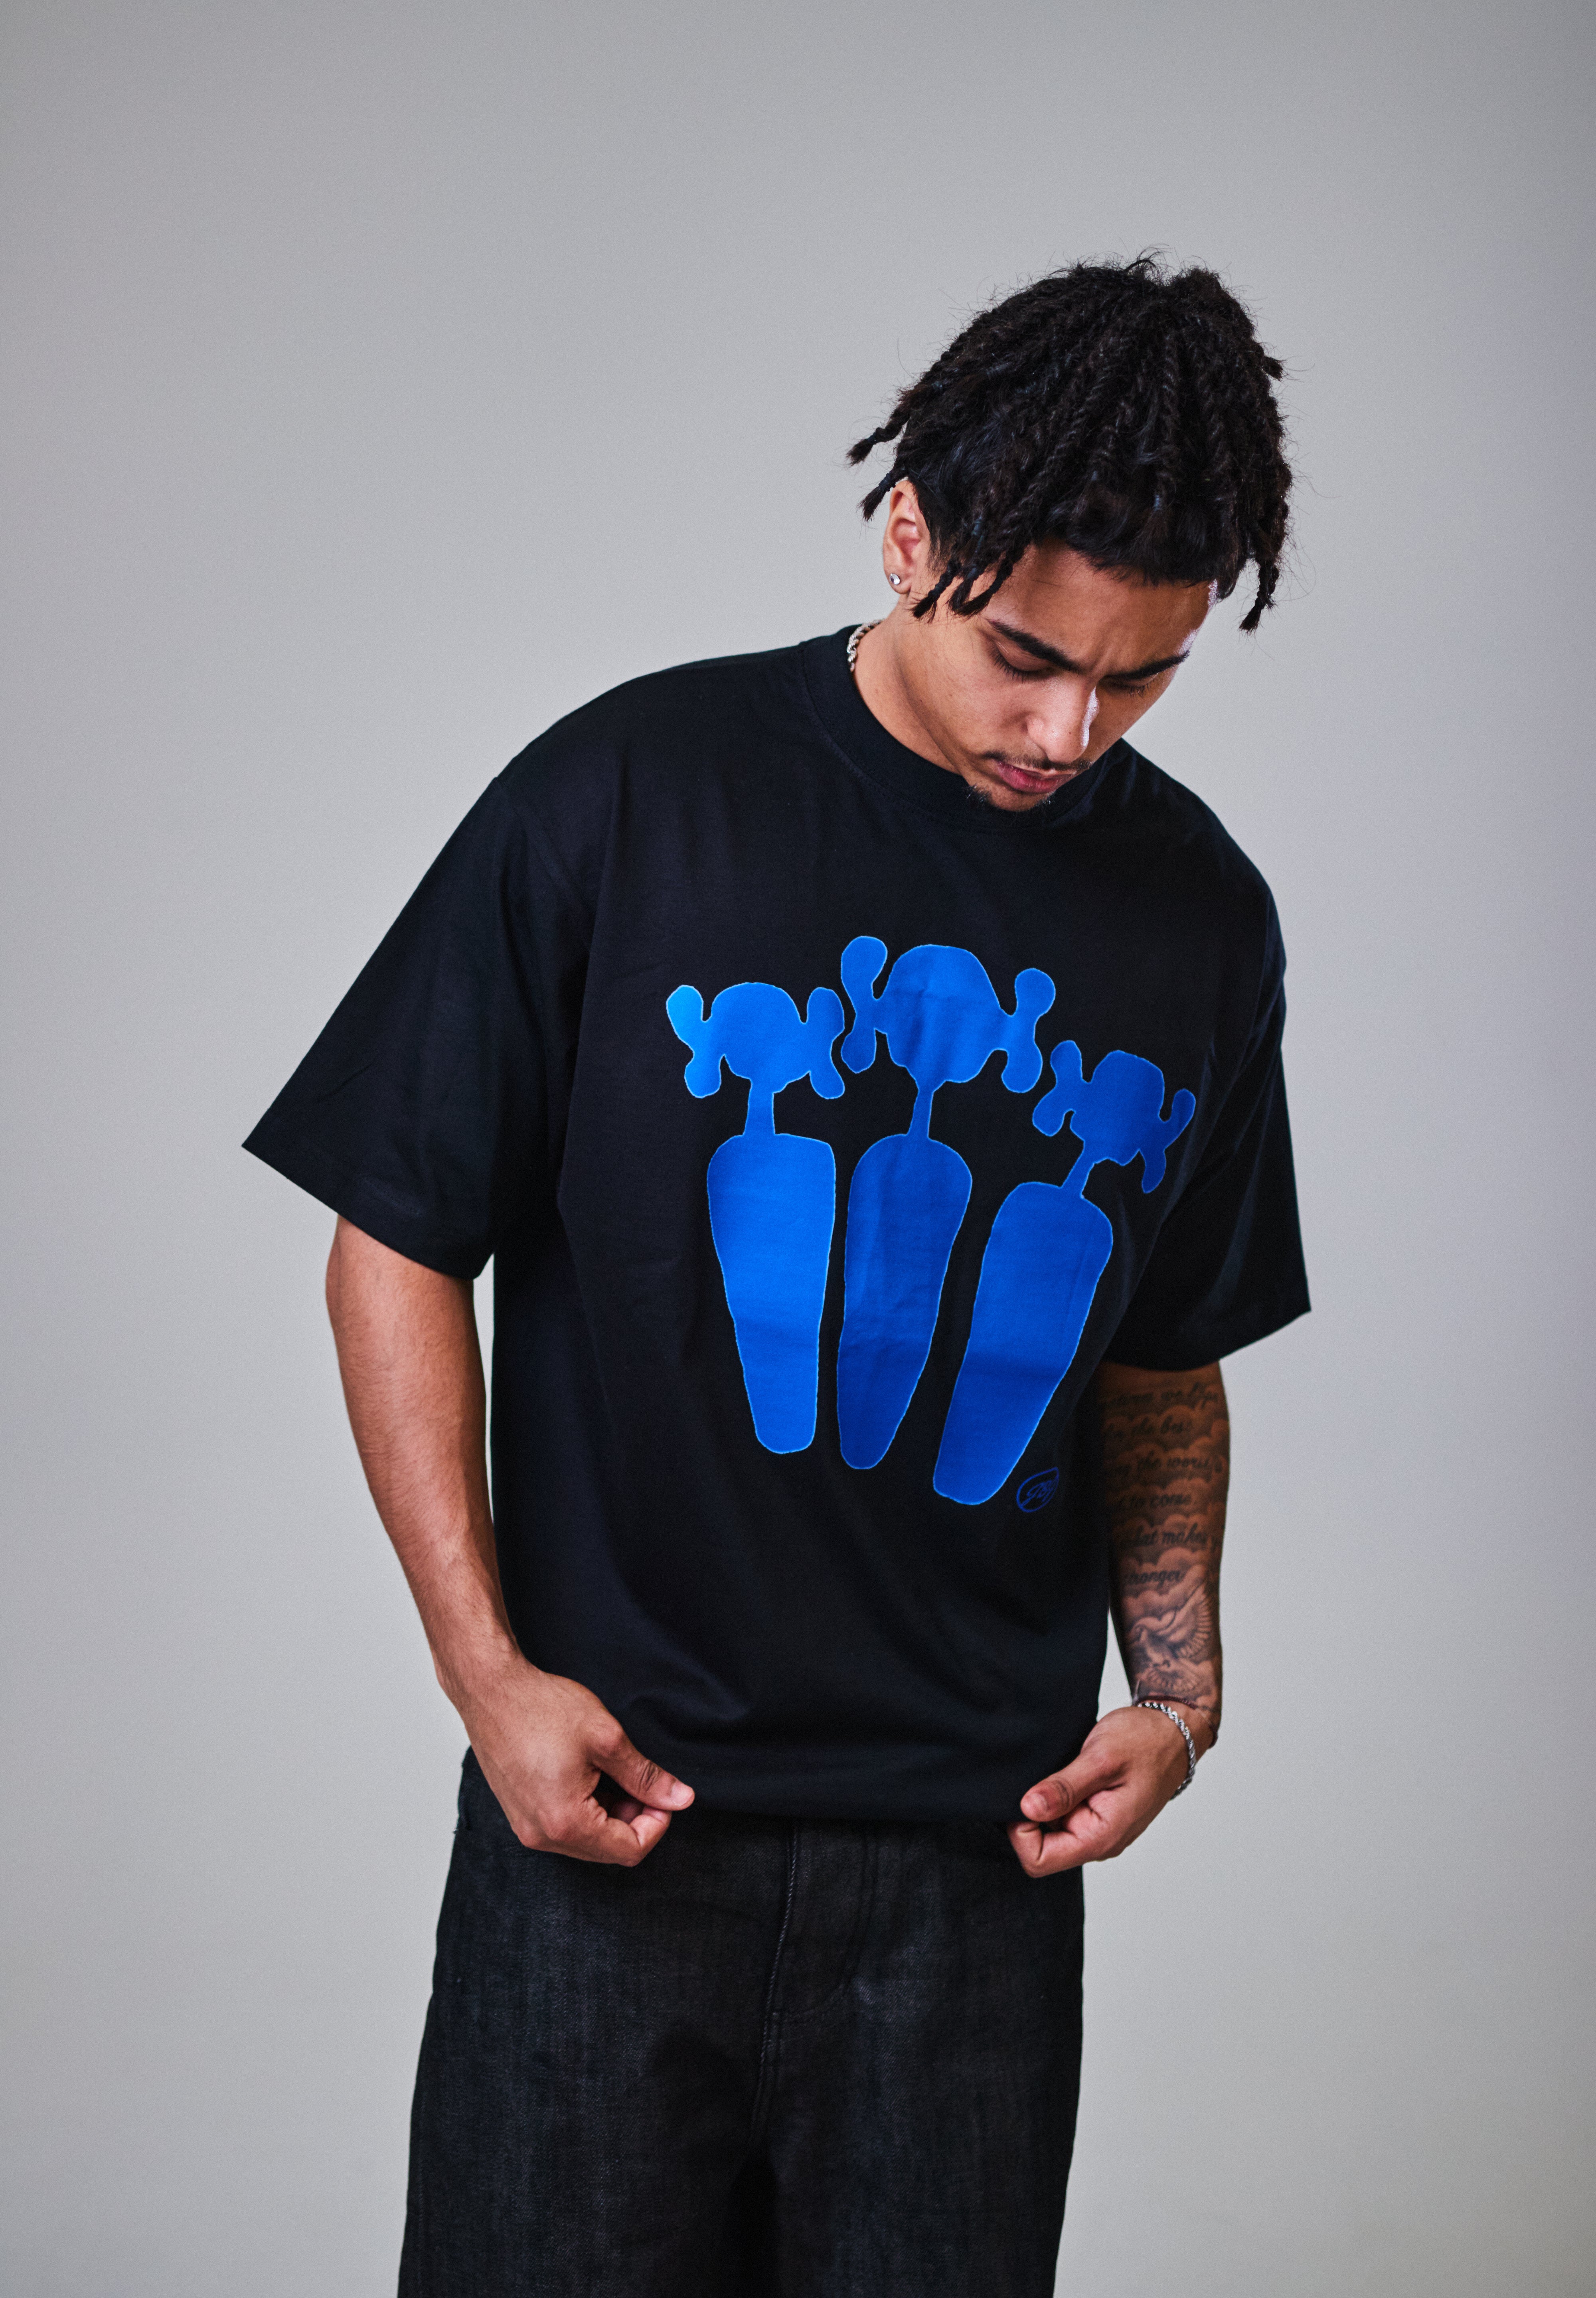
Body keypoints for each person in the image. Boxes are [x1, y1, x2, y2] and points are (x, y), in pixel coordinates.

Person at [246, 253, 1308, 2296]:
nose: (1068, 731)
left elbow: (1165, 1349)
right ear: (908, 537)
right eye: (1025, 655)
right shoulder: (622, 795)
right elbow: (394, 1234)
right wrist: (484, 1676)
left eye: (1142, 679)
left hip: (976, 1872)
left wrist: (1180, 1699)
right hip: (615, 1830)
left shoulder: (1198, 916)